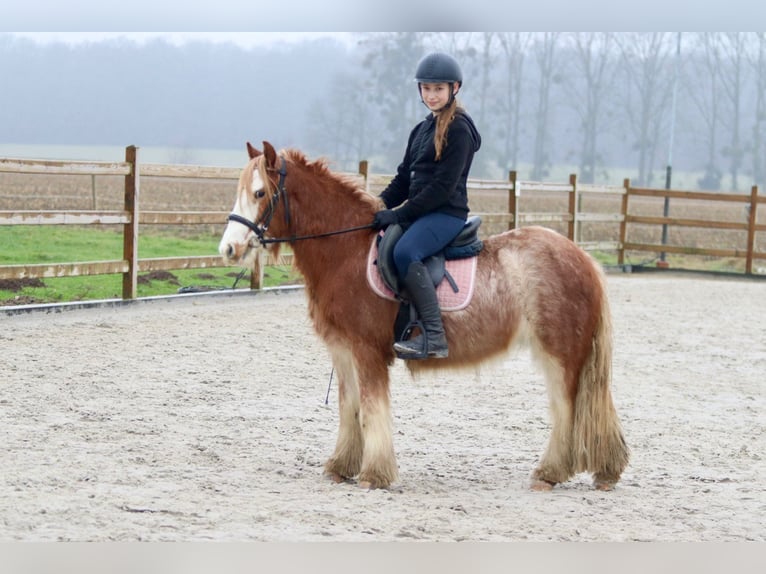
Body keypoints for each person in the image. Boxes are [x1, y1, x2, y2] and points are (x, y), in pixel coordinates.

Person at [372, 52, 482, 359]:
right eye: (426, 88)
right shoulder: (420, 131)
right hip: (422, 211)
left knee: (406, 252)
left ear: (454, 88)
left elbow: (441, 189)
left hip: (445, 213)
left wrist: (399, 213)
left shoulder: (460, 129)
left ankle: (434, 337)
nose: (432, 95)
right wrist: (376, 206)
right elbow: (403, 181)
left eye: (438, 89)